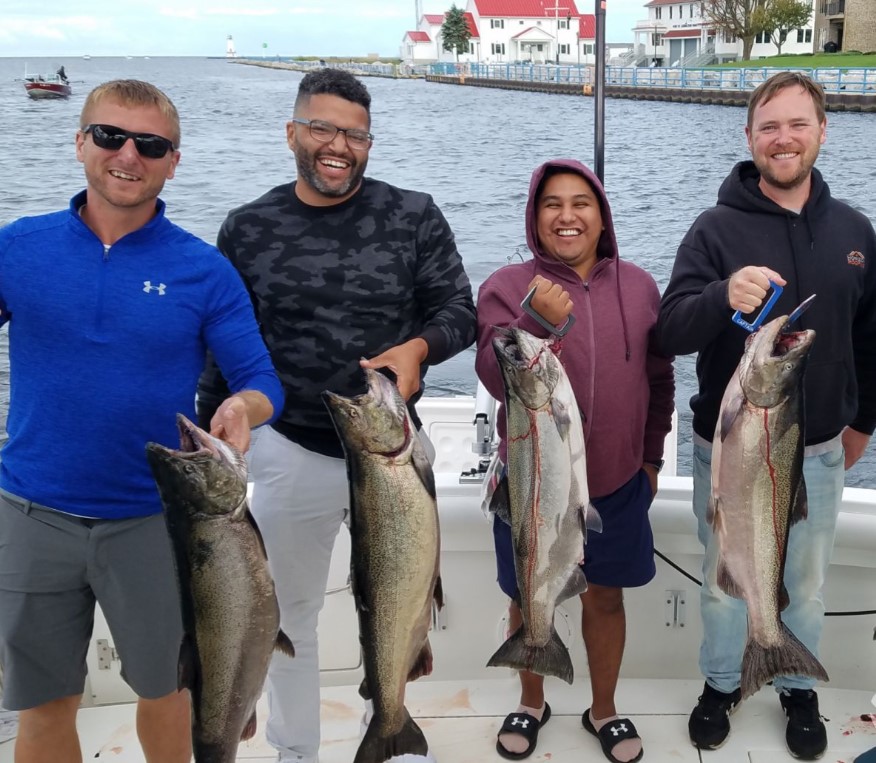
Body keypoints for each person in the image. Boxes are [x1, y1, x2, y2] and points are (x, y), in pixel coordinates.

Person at [196, 67, 477, 763]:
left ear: (369, 144)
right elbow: (221, 347)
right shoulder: (248, 227)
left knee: (408, 600)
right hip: (291, 448)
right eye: (321, 127)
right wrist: (210, 433)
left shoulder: (413, 213)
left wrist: (419, 347)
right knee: (289, 615)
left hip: (394, 457)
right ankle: (298, 750)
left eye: (354, 134)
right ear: (292, 132)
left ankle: (393, 730)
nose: (337, 145)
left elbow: (459, 312)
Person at [0, 79, 284, 763]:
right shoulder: (18, 246)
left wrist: (241, 409)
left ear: (173, 161)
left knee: (171, 694)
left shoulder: (203, 270)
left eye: (150, 144)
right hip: (30, 512)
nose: (128, 155)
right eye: (109, 136)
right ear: (80, 143)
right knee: (43, 707)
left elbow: (262, 382)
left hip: (158, 523)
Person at [656, 71, 876, 760]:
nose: (783, 138)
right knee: (727, 578)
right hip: (729, 449)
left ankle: (793, 685)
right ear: (749, 136)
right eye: (769, 126)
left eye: (797, 124)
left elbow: (871, 336)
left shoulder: (855, 231)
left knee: (804, 583)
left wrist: (862, 421)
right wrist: (723, 292)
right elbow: (669, 330)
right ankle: (722, 681)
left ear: (822, 130)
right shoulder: (714, 228)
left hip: (814, 450)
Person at [474, 159, 675, 763]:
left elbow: (658, 377)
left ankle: (603, 709)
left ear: (602, 215)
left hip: (614, 481)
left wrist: (651, 457)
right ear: (535, 216)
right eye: (552, 204)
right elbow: (491, 366)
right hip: (531, 484)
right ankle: (531, 700)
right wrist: (535, 320)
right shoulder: (509, 285)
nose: (568, 216)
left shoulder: (638, 285)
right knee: (529, 594)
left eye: (581, 203)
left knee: (605, 596)